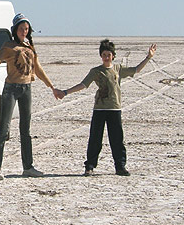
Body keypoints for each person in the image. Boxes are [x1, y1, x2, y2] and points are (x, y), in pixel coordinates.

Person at [56, 39, 157, 176]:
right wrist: (66, 92)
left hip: (114, 109)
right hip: (99, 110)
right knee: (95, 139)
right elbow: (83, 85)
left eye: (109, 55)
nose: (106, 57)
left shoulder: (118, 69)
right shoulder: (96, 71)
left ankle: (120, 166)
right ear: (101, 56)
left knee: (117, 139)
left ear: (113, 56)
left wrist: (148, 57)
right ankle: (90, 166)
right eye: (104, 55)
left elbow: (136, 70)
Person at [0, 13, 59, 180]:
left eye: (27, 29)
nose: (24, 31)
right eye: (21, 28)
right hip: (11, 89)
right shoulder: (8, 47)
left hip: (26, 89)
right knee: (4, 128)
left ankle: (28, 167)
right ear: (15, 30)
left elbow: (37, 68)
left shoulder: (30, 46)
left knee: (25, 130)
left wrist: (51, 86)